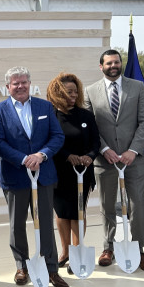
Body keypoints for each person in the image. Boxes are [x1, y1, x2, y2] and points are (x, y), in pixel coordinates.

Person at [0, 66, 70, 287]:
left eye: (24, 82)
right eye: (15, 83)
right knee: (17, 225)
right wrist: (24, 159)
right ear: (8, 87)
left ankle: (51, 269)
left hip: (43, 175)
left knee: (45, 222)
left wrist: (41, 155)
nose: (20, 86)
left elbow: (57, 136)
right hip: (15, 176)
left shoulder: (45, 107)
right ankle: (22, 266)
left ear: (29, 84)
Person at [85, 49, 144, 273]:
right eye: (108, 63)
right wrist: (104, 148)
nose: (113, 66)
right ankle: (108, 247)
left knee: (137, 205)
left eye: (116, 62)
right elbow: (90, 126)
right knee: (107, 206)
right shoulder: (90, 91)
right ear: (101, 66)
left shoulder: (137, 88)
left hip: (132, 160)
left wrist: (133, 151)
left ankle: (138, 250)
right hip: (104, 160)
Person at [45, 72, 100, 271]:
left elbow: (96, 141)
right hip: (59, 172)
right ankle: (65, 251)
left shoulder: (85, 115)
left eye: (76, 92)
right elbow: (49, 142)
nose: (74, 95)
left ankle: (78, 252)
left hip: (82, 172)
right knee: (61, 213)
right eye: (69, 92)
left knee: (78, 212)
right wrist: (67, 156)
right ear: (58, 92)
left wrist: (89, 157)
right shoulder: (50, 115)